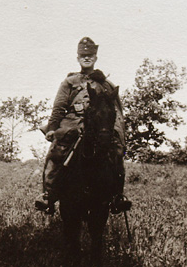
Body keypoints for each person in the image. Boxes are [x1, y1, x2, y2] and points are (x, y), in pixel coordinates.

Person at [35, 36, 131, 214]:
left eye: (90, 55)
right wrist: (53, 129)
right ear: (78, 58)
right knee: (56, 152)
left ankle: (118, 196)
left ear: (95, 57)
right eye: (83, 55)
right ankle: (48, 195)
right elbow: (58, 108)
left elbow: (117, 113)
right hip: (72, 125)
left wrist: (119, 136)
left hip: (100, 128)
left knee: (117, 154)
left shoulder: (106, 84)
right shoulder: (69, 83)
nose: (87, 58)